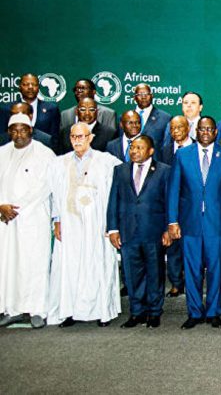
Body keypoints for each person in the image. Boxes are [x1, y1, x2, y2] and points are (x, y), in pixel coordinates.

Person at [48, 123, 122, 328]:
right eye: (73, 137)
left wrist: (112, 224)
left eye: (81, 136)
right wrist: (57, 220)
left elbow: (117, 193)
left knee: (97, 264)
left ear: (91, 137)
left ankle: (102, 311)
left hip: (97, 223)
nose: (77, 140)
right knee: (70, 266)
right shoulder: (59, 163)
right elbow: (55, 195)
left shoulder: (107, 162)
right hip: (70, 223)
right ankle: (70, 311)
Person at [168, 116, 221, 329]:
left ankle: (214, 312)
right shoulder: (182, 155)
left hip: (217, 223)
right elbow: (174, 189)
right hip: (190, 222)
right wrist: (172, 221)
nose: (205, 133)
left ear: (216, 132)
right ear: (196, 132)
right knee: (192, 269)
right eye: (202, 129)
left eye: (209, 129)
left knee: (215, 268)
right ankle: (194, 312)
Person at [106, 135, 172, 328]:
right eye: (132, 147)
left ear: (151, 151)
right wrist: (113, 228)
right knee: (132, 275)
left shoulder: (164, 171)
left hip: (154, 232)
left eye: (139, 148)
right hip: (128, 231)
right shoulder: (120, 170)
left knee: (155, 273)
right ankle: (137, 312)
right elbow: (113, 200)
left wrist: (168, 229)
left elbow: (169, 202)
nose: (134, 151)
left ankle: (154, 312)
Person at [0, 114, 56, 329]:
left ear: (31, 130)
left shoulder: (44, 154)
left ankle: (37, 310)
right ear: (9, 132)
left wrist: (16, 209)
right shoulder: (2, 152)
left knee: (34, 264)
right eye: (14, 130)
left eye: (23, 129)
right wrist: (1, 206)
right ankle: (12, 309)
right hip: (6, 221)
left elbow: (44, 187)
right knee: (9, 265)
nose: (19, 134)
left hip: (33, 219)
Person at [157, 115, 191, 298]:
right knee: (172, 246)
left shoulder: (197, 147)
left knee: (192, 247)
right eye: (172, 129)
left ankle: (192, 281)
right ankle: (176, 283)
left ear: (188, 128)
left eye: (179, 127)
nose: (176, 131)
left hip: (192, 206)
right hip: (171, 203)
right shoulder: (164, 151)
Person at [0, 73, 60, 139]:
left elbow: (55, 137)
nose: (30, 87)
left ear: (38, 87)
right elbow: (2, 136)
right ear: (19, 87)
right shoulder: (7, 109)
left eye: (34, 84)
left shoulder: (51, 109)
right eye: (26, 84)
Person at [133, 83, 171, 150]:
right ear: (134, 97)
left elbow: (167, 146)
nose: (144, 97)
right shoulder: (124, 118)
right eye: (140, 94)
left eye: (147, 94)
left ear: (152, 96)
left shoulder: (165, 118)